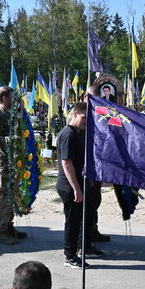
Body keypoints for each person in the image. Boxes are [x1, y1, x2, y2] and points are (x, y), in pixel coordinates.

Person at [56, 102, 104, 268]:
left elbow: (78, 161)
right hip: (69, 186)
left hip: (80, 182)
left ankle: (85, 247)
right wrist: (76, 189)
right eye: (84, 117)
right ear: (75, 114)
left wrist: (87, 179)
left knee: (87, 215)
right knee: (73, 221)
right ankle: (70, 255)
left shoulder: (78, 133)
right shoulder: (68, 134)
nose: (86, 122)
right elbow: (67, 163)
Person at [0, 86, 28, 245]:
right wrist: (14, 138)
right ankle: (2, 231)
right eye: (12, 97)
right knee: (2, 197)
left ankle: (9, 226)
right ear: (4, 98)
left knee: (11, 195)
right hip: (2, 163)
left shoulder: (10, 114)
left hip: (12, 162)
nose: (14, 99)